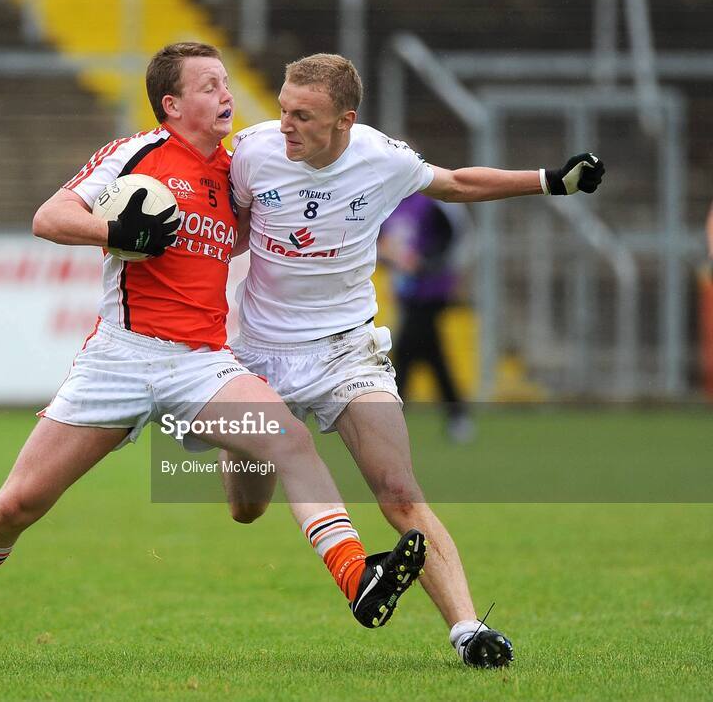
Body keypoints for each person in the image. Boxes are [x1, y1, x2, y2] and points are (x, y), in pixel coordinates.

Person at [0, 42, 427, 666]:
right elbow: (49, 217)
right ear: (172, 104)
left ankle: (356, 578)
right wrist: (115, 232)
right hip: (120, 359)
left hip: (202, 363)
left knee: (287, 437)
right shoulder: (140, 154)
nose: (226, 96)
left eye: (226, 84)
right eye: (209, 86)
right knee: (18, 503)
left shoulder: (236, 170)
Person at [224, 53, 605, 668]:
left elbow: (456, 183)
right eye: (283, 109)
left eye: (303, 115)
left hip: (347, 350)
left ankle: (468, 631)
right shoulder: (250, 151)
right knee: (246, 508)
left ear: (345, 120)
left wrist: (548, 180)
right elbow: (227, 224)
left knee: (399, 489)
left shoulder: (382, 158)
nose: (285, 125)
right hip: (258, 354)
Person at [378, 192, 474, 442]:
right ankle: (458, 415)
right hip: (406, 290)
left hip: (431, 290)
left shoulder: (432, 202)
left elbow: (455, 235)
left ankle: (392, 416)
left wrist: (428, 262)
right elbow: (384, 243)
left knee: (406, 348)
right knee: (432, 353)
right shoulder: (389, 202)